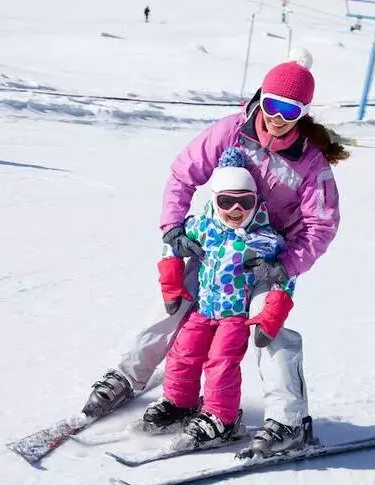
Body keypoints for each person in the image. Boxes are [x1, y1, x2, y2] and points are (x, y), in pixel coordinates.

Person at [82, 49, 348, 456]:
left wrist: (285, 265)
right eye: (273, 104)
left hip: (268, 258)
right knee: (172, 305)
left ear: (303, 113)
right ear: (261, 97)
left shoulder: (310, 163)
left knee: (268, 330)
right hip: (218, 242)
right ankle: (128, 376)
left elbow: (321, 224)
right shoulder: (231, 131)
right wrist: (173, 226)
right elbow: (183, 174)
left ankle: (287, 421)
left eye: (291, 110)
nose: (278, 117)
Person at [143, 148, 296, 446]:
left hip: (235, 316)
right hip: (202, 309)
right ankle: (179, 404)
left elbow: (283, 276)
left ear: (256, 202)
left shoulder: (263, 238)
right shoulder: (202, 226)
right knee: (182, 353)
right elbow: (171, 244)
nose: (235, 209)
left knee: (221, 362)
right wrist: (172, 281)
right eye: (227, 201)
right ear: (215, 200)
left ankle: (221, 417)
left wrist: (272, 312)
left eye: (245, 202)